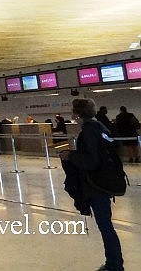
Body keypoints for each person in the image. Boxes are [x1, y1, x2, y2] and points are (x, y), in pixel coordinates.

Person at [59, 98, 124, 271]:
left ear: (77, 114)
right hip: (104, 180)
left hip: (96, 184)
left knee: (105, 226)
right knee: (105, 225)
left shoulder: (88, 131)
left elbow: (91, 161)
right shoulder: (100, 127)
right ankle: (113, 263)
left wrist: (70, 156)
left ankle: (115, 265)